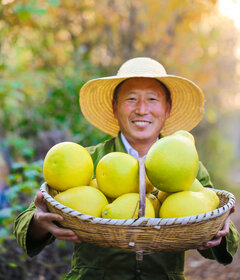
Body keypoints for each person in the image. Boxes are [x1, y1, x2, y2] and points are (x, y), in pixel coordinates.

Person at [14, 57, 239, 280]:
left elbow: (220, 235)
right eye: (131, 99)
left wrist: (219, 228)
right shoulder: (88, 161)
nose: (142, 109)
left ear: (167, 108)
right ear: (115, 107)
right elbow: (26, 224)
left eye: (152, 99)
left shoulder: (190, 167)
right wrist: (38, 221)